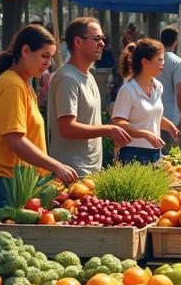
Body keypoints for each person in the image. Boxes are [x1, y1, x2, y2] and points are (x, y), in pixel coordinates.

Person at [0, 25, 79, 221]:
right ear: (25, 51)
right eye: (44, 56)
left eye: (51, 58)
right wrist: (56, 166)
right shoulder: (12, 84)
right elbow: (15, 140)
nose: (48, 63)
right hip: (3, 184)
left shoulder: (23, 83)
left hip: (17, 184)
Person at [48, 17, 130, 177]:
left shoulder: (88, 76)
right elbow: (67, 128)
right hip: (71, 174)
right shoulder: (67, 78)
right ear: (78, 42)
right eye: (97, 39)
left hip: (89, 172)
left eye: (102, 39)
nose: (102, 44)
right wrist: (108, 130)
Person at [112, 39, 180, 164]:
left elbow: (151, 116)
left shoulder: (158, 86)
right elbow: (118, 123)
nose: (163, 63)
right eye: (159, 60)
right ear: (145, 62)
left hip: (155, 153)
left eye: (163, 59)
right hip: (131, 153)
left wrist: (170, 127)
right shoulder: (127, 90)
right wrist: (143, 134)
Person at [159, 27, 181, 140]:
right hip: (171, 120)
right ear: (176, 41)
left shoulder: (154, 60)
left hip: (152, 118)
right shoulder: (177, 62)